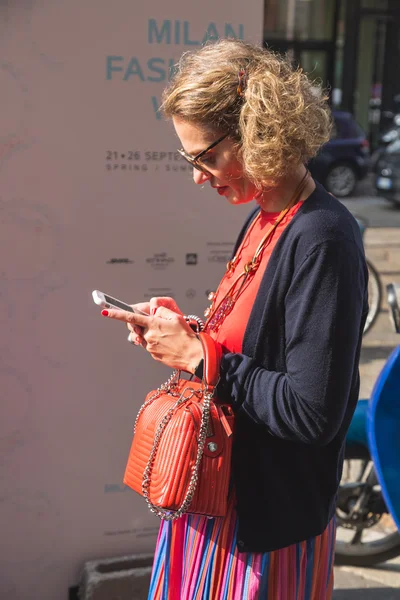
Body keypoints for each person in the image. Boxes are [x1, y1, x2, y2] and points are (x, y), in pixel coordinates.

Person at [100, 39, 368, 599]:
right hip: (217, 507)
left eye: (205, 157)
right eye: (189, 159)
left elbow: (310, 412)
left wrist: (200, 357)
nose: (198, 176)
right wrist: (187, 330)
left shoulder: (322, 237)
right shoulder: (267, 218)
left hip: (260, 530)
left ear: (259, 131)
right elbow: (255, 351)